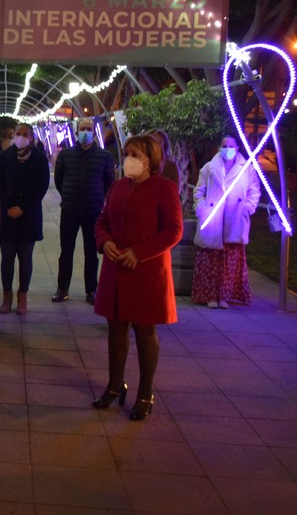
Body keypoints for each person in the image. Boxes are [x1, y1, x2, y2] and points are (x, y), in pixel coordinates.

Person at [92, 134, 183, 421]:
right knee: (116, 327)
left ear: (150, 160)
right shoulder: (118, 186)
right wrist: (104, 241)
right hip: (116, 267)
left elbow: (173, 231)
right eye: (126, 153)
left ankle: (145, 393)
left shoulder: (164, 189)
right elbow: (102, 221)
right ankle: (115, 384)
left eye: (135, 154)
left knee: (145, 331)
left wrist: (140, 252)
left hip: (146, 271)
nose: (128, 159)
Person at [192, 135, 261, 308]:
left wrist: (247, 208)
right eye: (224, 145)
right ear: (219, 148)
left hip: (234, 219)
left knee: (230, 260)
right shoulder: (209, 168)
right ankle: (209, 295)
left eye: (231, 146)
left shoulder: (247, 169)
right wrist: (202, 210)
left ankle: (225, 295)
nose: (228, 149)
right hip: (212, 220)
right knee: (211, 259)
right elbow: (198, 191)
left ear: (237, 148)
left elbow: (254, 191)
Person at [53, 117, 115, 304]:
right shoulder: (66, 155)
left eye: (88, 129)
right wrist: (67, 194)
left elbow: (109, 183)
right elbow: (58, 179)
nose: (85, 132)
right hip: (69, 210)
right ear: (76, 132)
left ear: (94, 133)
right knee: (66, 252)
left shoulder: (104, 156)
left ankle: (92, 290)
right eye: (82, 129)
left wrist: (101, 201)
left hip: (93, 211)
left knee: (91, 253)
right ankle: (62, 289)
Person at [0, 122, 50, 315]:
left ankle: (22, 296)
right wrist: (7, 207)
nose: (20, 137)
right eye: (17, 133)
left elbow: (41, 187)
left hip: (29, 217)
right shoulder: (4, 158)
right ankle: (6, 297)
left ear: (32, 137)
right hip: (7, 217)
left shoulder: (40, 159)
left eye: (25, 134)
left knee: (25, 259)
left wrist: (23, 208)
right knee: (7, 259)